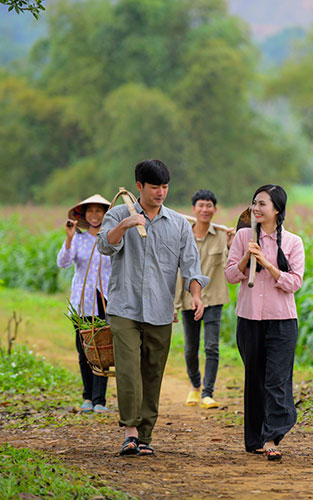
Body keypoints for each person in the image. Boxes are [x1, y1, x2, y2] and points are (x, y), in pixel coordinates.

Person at [97, 159, 209, 457]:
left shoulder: (178, 225)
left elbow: (191, 266)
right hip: (124, 306)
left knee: (152, 371)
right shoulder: (119, 212)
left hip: (161, 309)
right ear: (139, 187)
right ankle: (130, 432)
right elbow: (104, 246)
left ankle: (145, 436)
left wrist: (195, 294)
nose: (161, 192)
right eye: (154, 187)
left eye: (165, 186)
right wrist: (124, 225)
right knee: (129, 369)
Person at [224, 185, 305, 461]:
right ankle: (255, 438)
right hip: (249, 319)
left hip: (282, 321)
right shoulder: (243, 236)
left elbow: (294, 282)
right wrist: (247, 256)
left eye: (262, 204)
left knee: (277, 380)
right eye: (254, 204)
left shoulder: (293, 242)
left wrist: (268, 265)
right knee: (255, 379)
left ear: (277, 210)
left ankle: (272, 437)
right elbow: (231, 275)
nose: (256, 209)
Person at [175, 189, 235, 409]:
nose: (205, 209)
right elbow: (175, 270)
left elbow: (232, 267)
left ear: (215, 210)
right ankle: (195, 386)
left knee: (212, 347)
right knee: (191, 348)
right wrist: (174, 303)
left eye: (209, 205)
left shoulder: (221, 235)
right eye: (201, 205)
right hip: (189, 299)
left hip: (214, 298)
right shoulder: (183, 235)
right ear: (193, 209)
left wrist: (231, 243)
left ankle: (207, 393)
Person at [57, 194, 112, 414]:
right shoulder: (78, 239)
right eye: (91, 211)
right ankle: (87, 397)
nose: (95, 216)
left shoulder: (111, 238)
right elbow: (63, 262)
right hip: (83, 301)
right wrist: (69, 238)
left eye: (99, 211)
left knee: (103, 349)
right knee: (84, 350)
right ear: (84, 215)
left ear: (106, 215)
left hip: (106, 300)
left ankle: (100, 400)